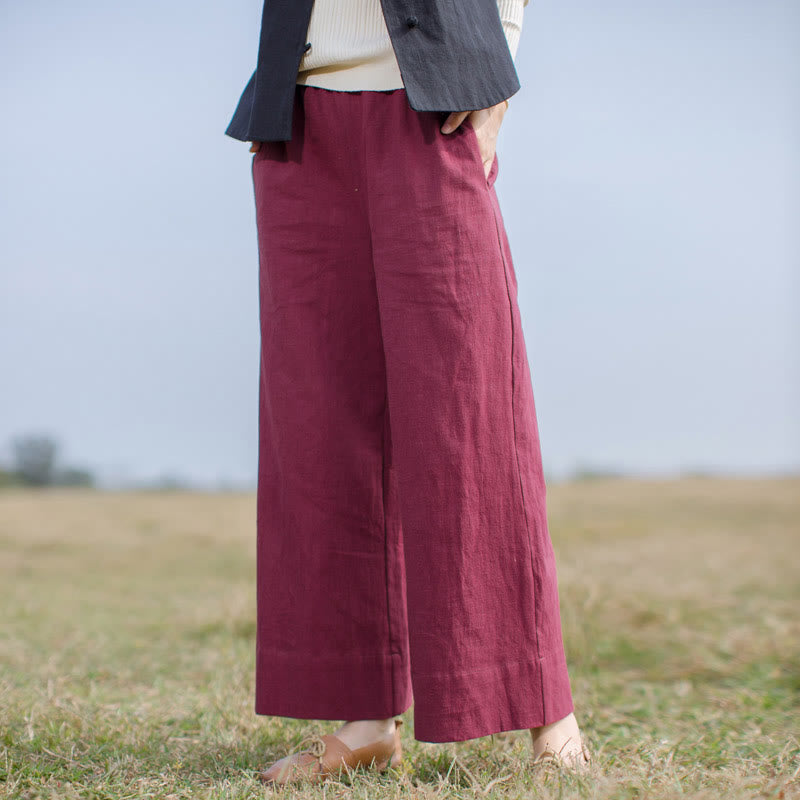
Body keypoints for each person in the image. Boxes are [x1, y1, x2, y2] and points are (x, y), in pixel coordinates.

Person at [224, 0, 590, 785]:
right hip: (300, 115)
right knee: (319, 426)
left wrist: (495, 78)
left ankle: (545, 709)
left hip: (434, 107)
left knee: (467, 413)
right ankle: (364, 721)